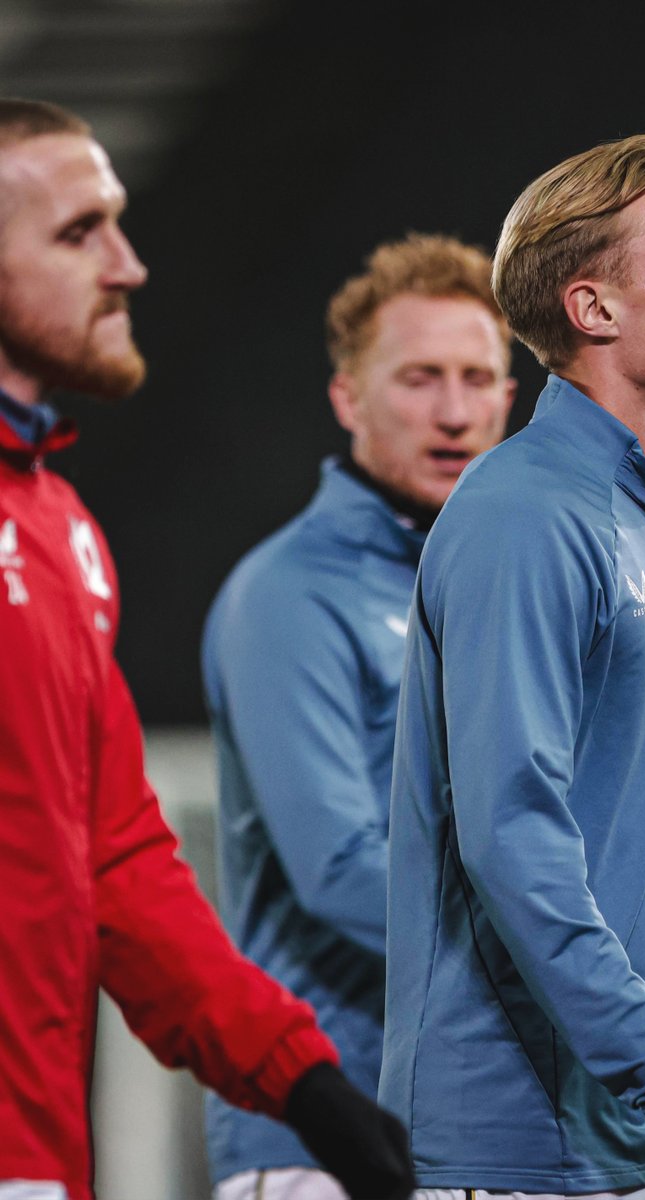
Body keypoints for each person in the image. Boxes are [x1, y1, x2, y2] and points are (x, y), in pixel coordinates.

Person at [0, 97, 415, 1200]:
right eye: (79, 231)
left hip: (37, 1157)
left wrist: (308, 1087)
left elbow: (119, 863)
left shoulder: (62, 534)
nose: (129, 265)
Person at [378, 133, 645, 1200]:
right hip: (519, 1150)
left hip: (621, 1128)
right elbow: (511, 834)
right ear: (594, 309)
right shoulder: (523, 515)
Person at [201, 233, 516, 1200]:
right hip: (322, 1143)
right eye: (420, 378)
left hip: (489, 1123)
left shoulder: (509, 588)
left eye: (479, 377)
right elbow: (338, 868)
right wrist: (580, 967)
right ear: (348, 399)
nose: (455, 412)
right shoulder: (287, 596)